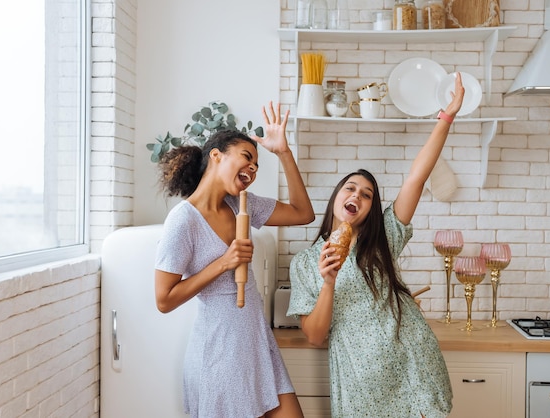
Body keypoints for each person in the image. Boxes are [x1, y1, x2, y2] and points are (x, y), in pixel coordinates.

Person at [287, 73, 465, 418]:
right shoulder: (307, 262)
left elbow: (417, 176)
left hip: (413, 371)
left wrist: (447, 116)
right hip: (361, 384)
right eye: (350, 188)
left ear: (370, 210)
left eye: (367, 195)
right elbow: (314, 335)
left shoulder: (384, 238)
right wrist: (328, 281)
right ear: (337, 198)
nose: (357, 195)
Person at [154, 102, 314, 418]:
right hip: (219, 353)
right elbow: (164, 299)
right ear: (217, 156)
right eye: (246, 158)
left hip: (255, 342)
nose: (252, 170)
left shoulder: (241, 204)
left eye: (256, 167)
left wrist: (283, 153)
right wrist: (223, 263)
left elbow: (303, 213)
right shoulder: (183, 221)